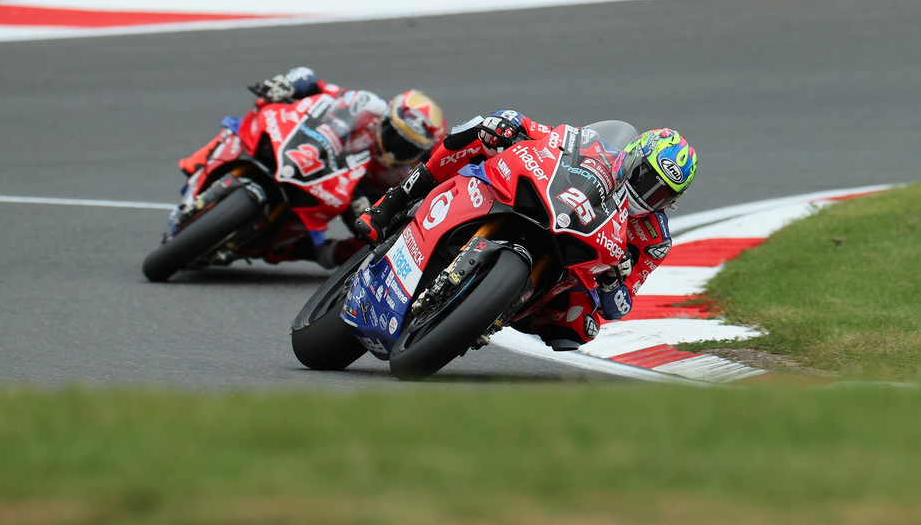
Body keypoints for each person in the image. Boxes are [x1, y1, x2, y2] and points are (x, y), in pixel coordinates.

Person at [355, 110, 697, 349]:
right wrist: (510, 123)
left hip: (573, 263)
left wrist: (613, 279)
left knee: (580, 325)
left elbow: (620, 307)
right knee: (481, 132)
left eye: (661, 193)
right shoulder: (596, 148)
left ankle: (495, 312)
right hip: (543, 204)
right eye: (645, 179)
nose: (648, 195)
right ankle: (392, 203)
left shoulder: (654, 239)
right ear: (633, 156)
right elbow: (547, 136)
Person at [178, 67, 446, 268]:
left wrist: (370, 212)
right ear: (387, 117)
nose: (395, 148)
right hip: (309, 151)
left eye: (407, 146)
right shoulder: (367, 106)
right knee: (242, 129)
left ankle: (304, 250)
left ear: (419, 152)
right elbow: (315, 84)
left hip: (340, 195)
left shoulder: (402, 174)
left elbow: (394, 213)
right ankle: (200, 172)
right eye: (393, 133)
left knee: (367, 245)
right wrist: (286, 85)